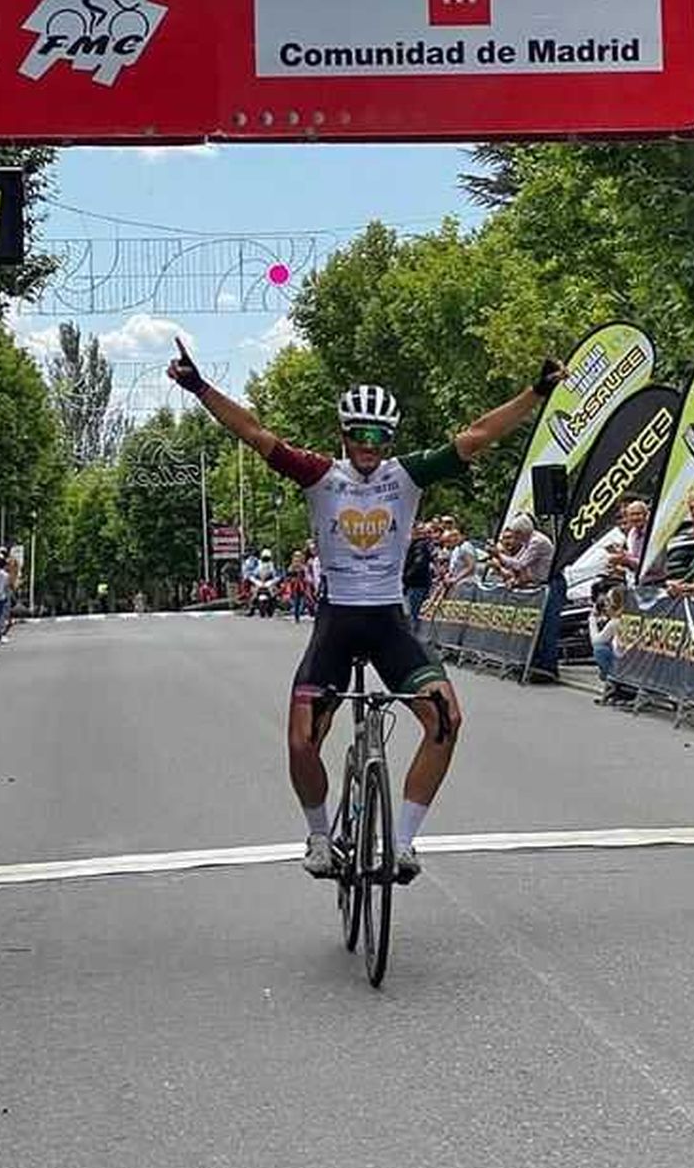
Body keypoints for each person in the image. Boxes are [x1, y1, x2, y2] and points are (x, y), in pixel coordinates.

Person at [170, 337, 562, 884]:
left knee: (447, 720)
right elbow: (255, 433)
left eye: (379, 436)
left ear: (389, 439)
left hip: (388, 622)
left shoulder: (406, 474)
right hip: (337, 622)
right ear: (345, 435)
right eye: (360, 435)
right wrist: (199, 387)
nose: (370, 446)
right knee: (301, 738)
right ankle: (318, 834)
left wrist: (535, 394)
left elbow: (476, 437)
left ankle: (402, 840)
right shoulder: (319, 474)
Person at [493, 513, 563, 680]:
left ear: (523, 532)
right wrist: (515, 579)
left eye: (517, 535)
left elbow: (519, 564)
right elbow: (519, 565)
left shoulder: (537, 541)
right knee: (535, 625)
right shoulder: (528, 541)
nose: (515, 539)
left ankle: (548, 667)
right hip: (538, 583)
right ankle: (534, 662)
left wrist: (498, 555)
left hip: (552, 584)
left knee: (547, 626)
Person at [402, 521, 436, 632]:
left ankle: (411, 639)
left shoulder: (420, 545)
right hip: (414, 584)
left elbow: (418, 564)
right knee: (411, 613)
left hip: (416, 585)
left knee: (412, 614)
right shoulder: (417, 545)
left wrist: (405, 578)